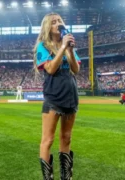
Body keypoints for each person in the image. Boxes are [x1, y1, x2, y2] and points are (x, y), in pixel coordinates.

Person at [33, 12, 80, 180]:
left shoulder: (68, 44)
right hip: (53, 97)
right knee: (48, 140)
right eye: (54, 22)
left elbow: (76, 70)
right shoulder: (43, 46)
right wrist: (62, 48)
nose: (58, 23)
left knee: (66, 137)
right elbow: (51, 69)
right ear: (47, 27)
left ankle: (66, 177)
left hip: (71, 94)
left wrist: (70, 50)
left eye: (60, 20)